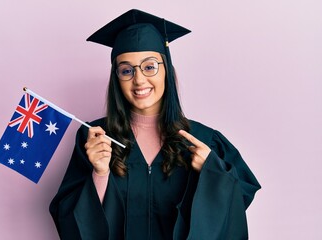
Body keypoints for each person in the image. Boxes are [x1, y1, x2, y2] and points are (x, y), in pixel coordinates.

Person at [49, 9, 261, 240]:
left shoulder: (204, 140)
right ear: (116, 78)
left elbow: (236, 209)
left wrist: (213, 173)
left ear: (166, 70)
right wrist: (99, 174)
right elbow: (69, 220)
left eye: (149, 66)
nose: (139, 79)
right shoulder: (94, 138)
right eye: (126, 70)